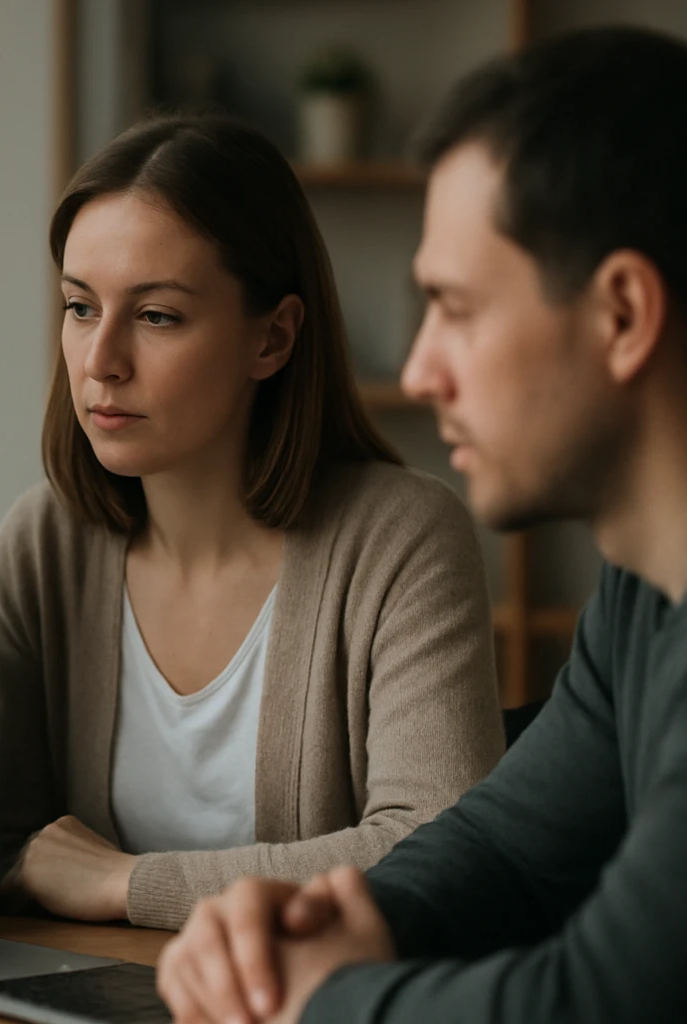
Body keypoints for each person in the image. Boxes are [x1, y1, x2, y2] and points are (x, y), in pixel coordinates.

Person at [155, 26, 687, 1024]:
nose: (419, 370)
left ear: (621, 314)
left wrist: (331, 999)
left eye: (455, 307)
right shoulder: (642, 589)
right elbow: (511, 847)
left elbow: (608, 999)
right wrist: (322, 926)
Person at [0, 114, 504, 932]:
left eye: (157, 316)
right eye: (81, 307)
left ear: (275, 336)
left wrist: (128, 883)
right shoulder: (42, 545)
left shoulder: (404, 540)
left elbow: (441, 850)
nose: (100, 359)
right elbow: (9, 851)